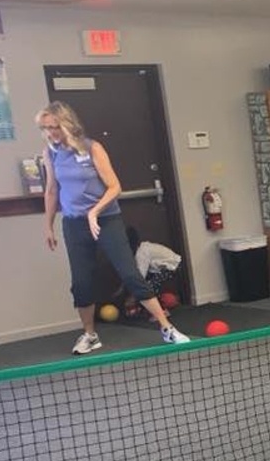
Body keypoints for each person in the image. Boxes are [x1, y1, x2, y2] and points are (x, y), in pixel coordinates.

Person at [38, 101, 190, 354]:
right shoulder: (50, 153)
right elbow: (52, 190)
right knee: (81, 283)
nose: (50, 133)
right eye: (45, 128)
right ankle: (89, 335)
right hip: (74, 224)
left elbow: (114, 187)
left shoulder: (92, 147)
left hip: (106, 220)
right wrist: (48, 226)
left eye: (54, 127)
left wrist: (95, 212)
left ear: (67, 124)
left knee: (130, 274)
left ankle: (166, 328)